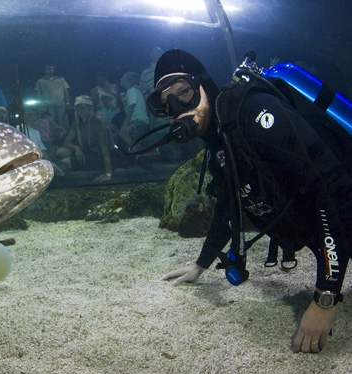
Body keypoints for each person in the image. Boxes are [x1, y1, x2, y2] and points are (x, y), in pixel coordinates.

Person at [150, 49, 352, 353]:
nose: (179, 109)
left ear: (205, 85)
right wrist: (200, 264)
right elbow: (229, 202)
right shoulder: (224, 141)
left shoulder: (254, 113)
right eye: (168, 104)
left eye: (186, 93)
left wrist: (326, 297)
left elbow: (333, 186)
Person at [0, 106, 65, 176]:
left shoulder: (36, 132)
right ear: (24, 116)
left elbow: (42, 151)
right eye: (30, 114)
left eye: (34, 114)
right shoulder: (18, 129)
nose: (32, 116)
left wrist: (52, 164)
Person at [57, 95, 114, 183]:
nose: (83, 110)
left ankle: (62, 179)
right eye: (79, 107)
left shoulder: (97, 122)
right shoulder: (78, 122)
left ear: (91, 109)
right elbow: (66, 142)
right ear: (76, 109)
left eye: (86, 107)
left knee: (65, 162)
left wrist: (108, 174)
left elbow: (105, 149)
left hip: (98, 156)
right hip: (87, 152)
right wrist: (77, 148)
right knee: (61, 152)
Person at [117, 71, 149, 149]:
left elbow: (131, 106)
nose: (121, 79)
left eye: (123, 78)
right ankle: (138, 150)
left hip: (139, 121)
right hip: (140, 120)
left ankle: (138, 153)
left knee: (122, 133)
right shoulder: (131, 91)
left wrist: (125, 123)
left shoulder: (132, 91)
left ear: (128, 81)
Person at [34, 64, 71, 129]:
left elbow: (66, 91)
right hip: (48, 106)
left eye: (52, 69)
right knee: (51, 124)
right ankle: (53, 138)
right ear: (45, 70)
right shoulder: (41, 81)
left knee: (62, 123)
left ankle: (63, 137)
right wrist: (41, 106)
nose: (50, 71)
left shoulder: (61, 80)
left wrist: (67, 103)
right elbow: (38, 94)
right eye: (48, 69)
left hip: (60, 105)